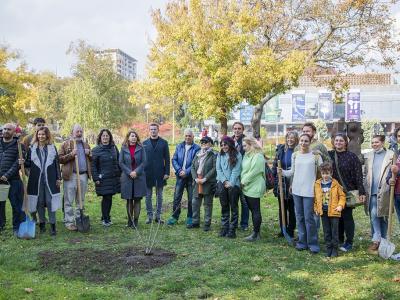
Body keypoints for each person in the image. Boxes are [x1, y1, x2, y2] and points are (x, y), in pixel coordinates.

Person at [282, 133, 322, 253]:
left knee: (309, 218)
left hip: (310, 191)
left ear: (310, 142)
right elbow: (292, 172)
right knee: (299, 217)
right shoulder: (295, 155)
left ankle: (313, 243)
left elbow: (321, 173)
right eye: (301, 141)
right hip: (296, 190)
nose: (303, 143)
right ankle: (302, 242)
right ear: (299, 142)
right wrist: (282, 171)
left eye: (306, 141)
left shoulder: (316, 156)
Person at [329, 133, 366, 252]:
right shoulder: (330, 155)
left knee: (347, 217)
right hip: (333, 192)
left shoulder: (352, 157)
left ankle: (349, 242)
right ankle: (338, 239)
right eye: (336, 140)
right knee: (336, 216)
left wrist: (361, 192)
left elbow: (358, 175)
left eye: (341, 141)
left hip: (347, 191)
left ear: (345, 143)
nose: (338, 142)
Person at [24, 127, 61, 236]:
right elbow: (27, 163)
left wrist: (59, 178)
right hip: (37, 179)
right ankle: (42, 224)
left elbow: (57, 164)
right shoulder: (32, 148)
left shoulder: (52, 148)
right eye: (39, 134)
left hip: (50, 179)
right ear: (36, 135)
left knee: (50, 202)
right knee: (39, 202)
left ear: (47, 136)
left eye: (43, 134)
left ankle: (53, 225)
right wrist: (22, 161)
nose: (41, 136)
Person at [363, 135, 394, 254]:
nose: (374, 144)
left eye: (376, 142)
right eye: (372, 143)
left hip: (385, 190)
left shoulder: (391, 155)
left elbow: (393, 172)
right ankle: (376, 240)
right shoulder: (369, 155)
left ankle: (382, 240)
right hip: (371, 190)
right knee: (374, 214)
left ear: (382, 142)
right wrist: (364, 185)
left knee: (383, 216)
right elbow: (365, 172)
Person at [59, 124, 91, 231]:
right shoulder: (65, 145)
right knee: (69, 200)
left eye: (81, 131)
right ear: (72, 133)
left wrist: (90, 153)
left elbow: (92, 159)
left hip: (83, 175)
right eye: (77, 131)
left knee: (80, 200)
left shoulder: (86, 145)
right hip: (71, 175)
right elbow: (59, 159)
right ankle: (69, 222)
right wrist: (71, 154)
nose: (79, 133)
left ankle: (79, 219)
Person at [167, 129, 200, 226]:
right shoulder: (179, 146)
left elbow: (196, 162)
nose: (187, 137)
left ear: (193, 137)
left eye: (189, 136)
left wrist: (186, 171)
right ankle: (174, 217)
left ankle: (190, 217)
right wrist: (179, 170)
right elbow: (174, 160)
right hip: (180, 176)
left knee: (191, 198)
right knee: (177, 197)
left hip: (190, 177)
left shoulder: (197, 148)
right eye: (186, 135)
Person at [314, 162, 346, 257]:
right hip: (323, 212)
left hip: (334, 211)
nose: (325, 175)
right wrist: (316, 208)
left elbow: (342, 196)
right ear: (321, 173)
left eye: (327, 173)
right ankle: (328, 248)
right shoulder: (317, 184)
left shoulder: (335, 184)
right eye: (323, 173)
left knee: (334, 231)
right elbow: (315, 198)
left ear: (331, 173)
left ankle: (335, 249)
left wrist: (340, 205)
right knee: (326, 231)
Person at [91, 129, 121, 227]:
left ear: (110, 137)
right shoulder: (96, 150)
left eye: (107, 135)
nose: (105, 137)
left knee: (110, 197)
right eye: (103, 136)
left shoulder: (114, 148)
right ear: (100, 137)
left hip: (113, 177)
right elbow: (93, 166)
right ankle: (105, 219)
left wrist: (119, 173)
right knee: (106, 197)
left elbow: (118, 161)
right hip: (102, 178)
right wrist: (96, 178)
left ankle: (106, 217)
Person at [272, 131, 298, 239]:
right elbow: (275, 165)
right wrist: (275, 177)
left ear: (296, 139)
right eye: (288, 138)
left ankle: (290, 230)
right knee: (282, 206)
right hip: (281, 179)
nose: (290, 140)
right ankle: (283, 229)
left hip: (293, 179)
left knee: (292, 207)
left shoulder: (297, 151)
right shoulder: (282, 150)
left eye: (292, 138)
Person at [143, 123, 170, 224]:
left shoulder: (164, 143)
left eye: (155, 129)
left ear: (158, 130)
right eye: (151, 129)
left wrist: (167, 172)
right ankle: (149, 216)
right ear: (149, 131)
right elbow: (141, 159)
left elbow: (167, 159)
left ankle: (158, 216)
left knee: (159, 196)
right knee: (148, 196)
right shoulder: (144, 143)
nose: (153, 131)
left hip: (160, 173)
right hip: (148, 173)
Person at [0, 123, 24, 235]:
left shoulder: (19, 145)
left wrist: (7, 175)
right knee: (0, 204)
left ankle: (17, 227)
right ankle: (1, 225)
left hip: (13, 180)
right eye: (4, 129)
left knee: (16, 205)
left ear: (14, 132)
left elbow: (18, 163)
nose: (5, 131)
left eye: (8, 129)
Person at [119, 129, 147, 228]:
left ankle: (136, 221)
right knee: (129, 200)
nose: (133, 138)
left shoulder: (141, 148)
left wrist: (136, 172)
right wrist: (129, 172)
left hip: (139, 177)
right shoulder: (123, 148)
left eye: (135, 136)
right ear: (128, 137)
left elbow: (144, 162)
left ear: (137, 138)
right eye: (132, 136)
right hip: (127, 177)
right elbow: (121, 163)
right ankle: (130, 221)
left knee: (137, 199)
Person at [188, 136, 217, 231]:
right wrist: (195, 178)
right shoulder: (197, 154)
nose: (204, 144)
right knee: (195, 203)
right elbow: (192, 166)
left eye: (206, 142)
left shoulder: (213, 154)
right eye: (202, 142)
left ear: (211, 144)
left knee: (208, 204)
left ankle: (207, 224)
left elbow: (214, 168)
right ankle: (195, 222)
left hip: (207, 182)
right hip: (197, 182)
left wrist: (205, 178)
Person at [240, 137, 266, 241]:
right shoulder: (247, 155)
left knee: (255, 210)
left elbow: (254, 172)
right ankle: (256, 232)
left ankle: (256, 234)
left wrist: (243, 182)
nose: (244, 148)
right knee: (252, 209)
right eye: (243, 146)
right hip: (247, 186)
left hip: (254, 186)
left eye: (245, 146)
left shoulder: (258, 156)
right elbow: (245, 170)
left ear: (251, 145)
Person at [216, 136, 242, 238]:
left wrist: (230, 182)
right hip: (222, 183)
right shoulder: (220, 155)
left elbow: (236, 170)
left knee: (234, 207)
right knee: (224, 205)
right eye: (221, 145)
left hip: (234, 184)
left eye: (225, 144)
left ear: (230, 144)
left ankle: (232, 229)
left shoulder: (237, 155)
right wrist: (224, 180)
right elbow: (218, 169)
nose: (223, 146)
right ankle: (224, 228)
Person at [22, 117, 46, 223]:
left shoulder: (47, 137)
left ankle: (42, 216)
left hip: (44, 171)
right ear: (34, 126)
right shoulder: (27, 139)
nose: (41, 127)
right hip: (31, 171)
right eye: (39, 125)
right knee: (32, 194)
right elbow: (24, 156)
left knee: (42, 195)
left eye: (42, 125)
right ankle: (33, 216)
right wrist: (27, 172)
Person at [232, 121, 249, 231]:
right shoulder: (229, 141)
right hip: (233, 175)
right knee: (233, 201)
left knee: (244, 201)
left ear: (243, 130)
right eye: (235, 128)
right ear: (233, 129)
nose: (237, 130)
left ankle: (244, 223)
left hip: (243, 174)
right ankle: (234, 221)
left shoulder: (246, 141)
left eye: (239, 128)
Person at [387, 127, 400, 224]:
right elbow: (390, 171)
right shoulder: (396, 153)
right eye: (399, 136)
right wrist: (389, 180)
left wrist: (398, 171)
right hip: (397, 193)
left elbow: (396, 170)